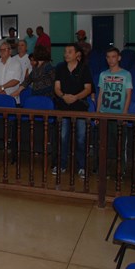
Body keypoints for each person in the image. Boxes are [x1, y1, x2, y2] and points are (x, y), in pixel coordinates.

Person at [53, 44, 92, 178]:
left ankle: (82, 166)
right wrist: (64, 96)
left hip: (80, 108)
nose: (66, 54)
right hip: (63, 107)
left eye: (70, 52)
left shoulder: (84, 68)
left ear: (77, 54)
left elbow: (88, 88)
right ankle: (61, 164)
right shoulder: (60, 67)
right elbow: (56, 87)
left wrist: (75, 97)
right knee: (62, 137)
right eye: (65, 51)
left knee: (81, 138)